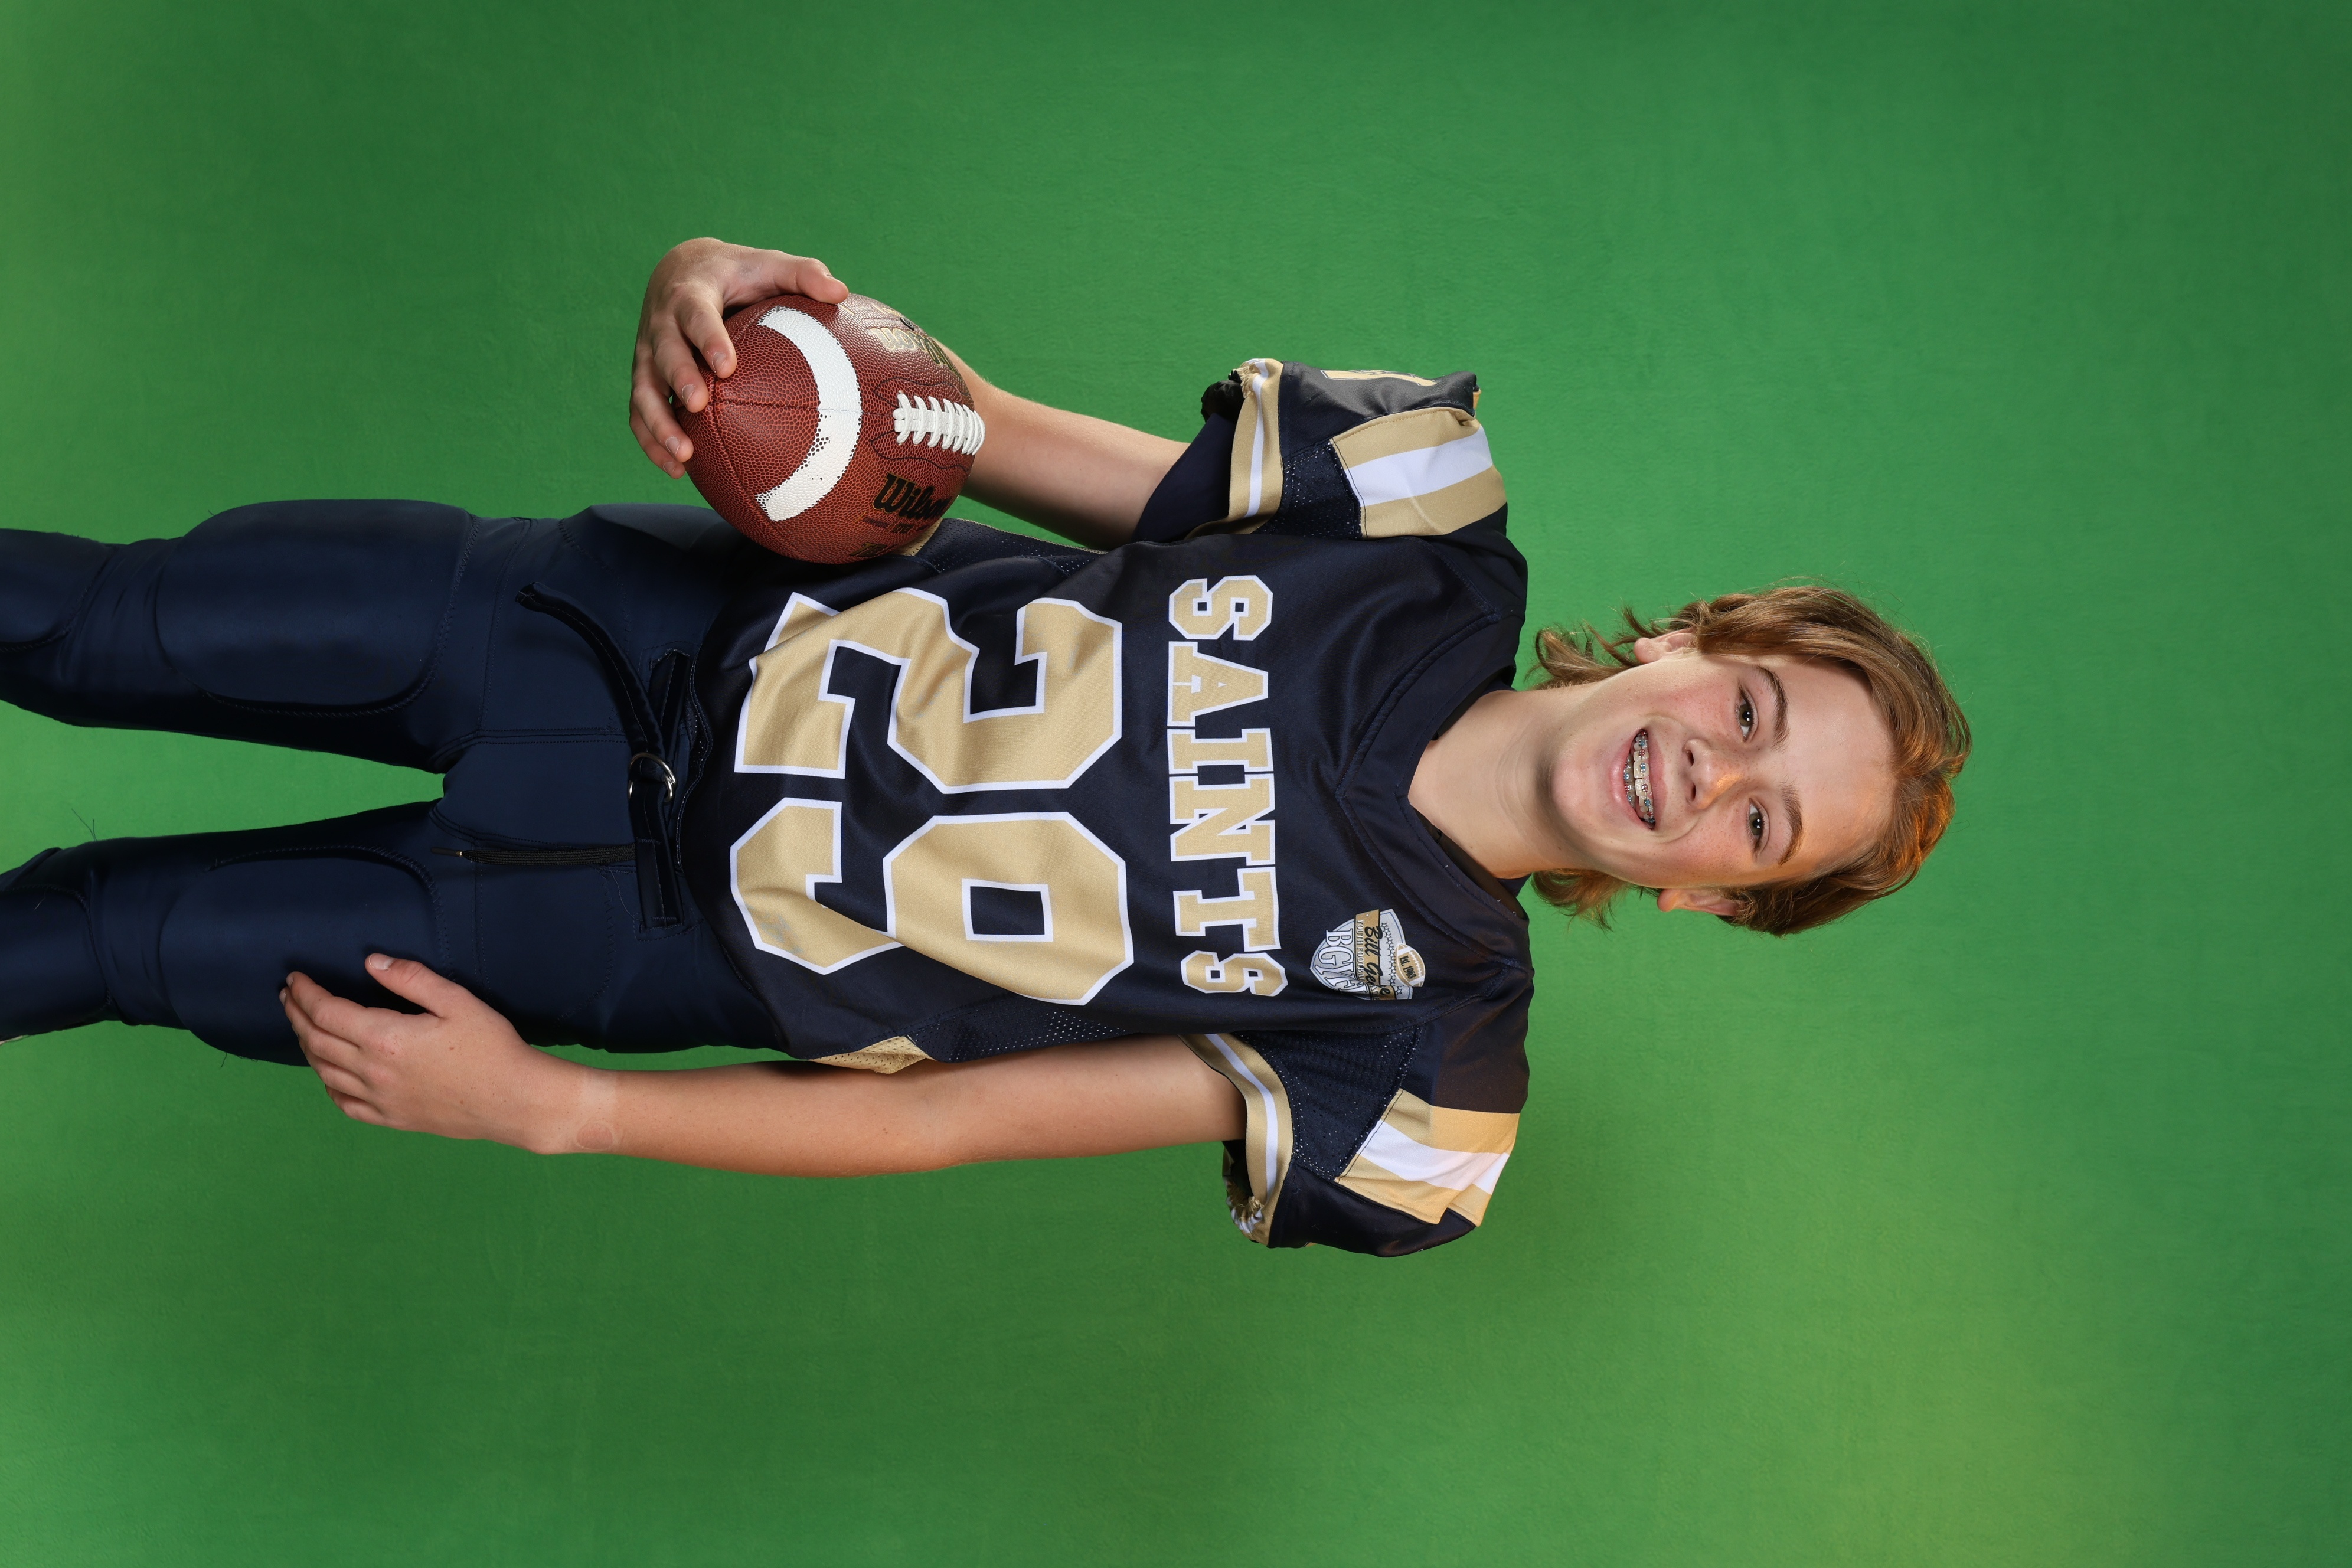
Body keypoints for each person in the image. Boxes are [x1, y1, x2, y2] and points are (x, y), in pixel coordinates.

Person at [0, 239, 1969, 1256]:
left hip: (617, 934)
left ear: (1722, 904)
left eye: (1764, 828)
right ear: (1704, 638)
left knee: (97, 939)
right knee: (86, 620)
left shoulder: (1423, 1060)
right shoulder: (1413, 518)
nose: (1712, 774)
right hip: (600, 629)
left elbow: (945, 1122)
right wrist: (763, 310)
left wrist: (560, 1109)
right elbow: (960, 429)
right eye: (1752, 712)